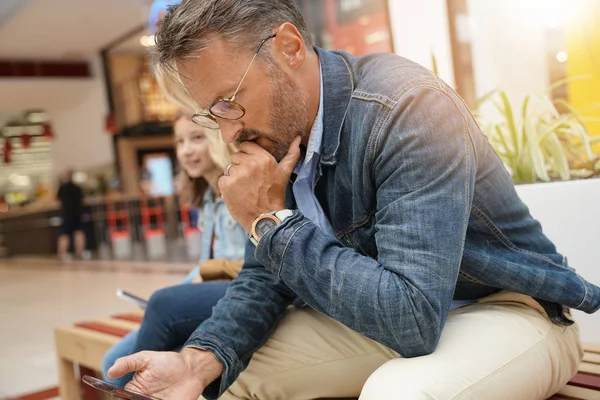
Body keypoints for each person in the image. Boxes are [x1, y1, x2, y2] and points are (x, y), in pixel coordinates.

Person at [108, 1, 600, 399]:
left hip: (508, 309)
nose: (229, 131)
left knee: (401, 394)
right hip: (385, 321)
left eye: (228, 101)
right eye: (210, 115)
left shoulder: (406, 108)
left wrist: (269, 218)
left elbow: (412, 319)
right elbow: (264, 277)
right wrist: (197, 361)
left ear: (288, 47)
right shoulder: (282, 135)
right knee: (222, 378)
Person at [101, 110, 247, 387]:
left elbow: (258, 266)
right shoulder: (208, 197)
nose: (187, 151)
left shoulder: (241, 189)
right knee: (112, 361)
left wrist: (197, 279)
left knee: (156, 319)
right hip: (216, 292)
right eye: (180, 142)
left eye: (196, 139)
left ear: (219, 138)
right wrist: (185, 286)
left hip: (243, 294)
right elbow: (207, 260)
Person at [56, 169, 86, 260]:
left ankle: (62, 253)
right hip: (77, 213)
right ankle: (80, 252)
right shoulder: (78, 188)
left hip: (66, 214)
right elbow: (82, 200)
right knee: (79, 232)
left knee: (64, 233)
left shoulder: (62, 189)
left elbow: (58, 201)